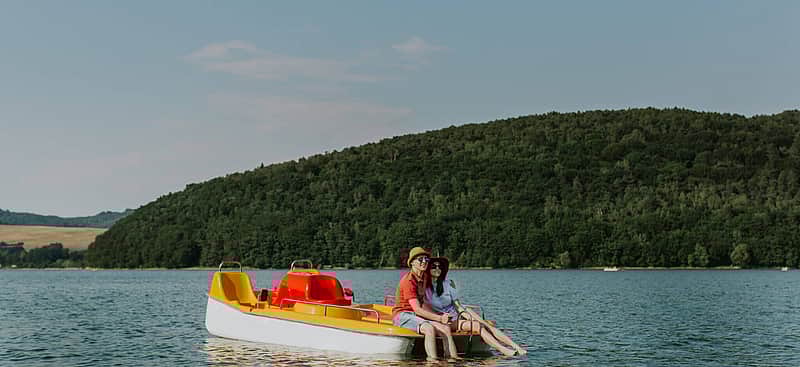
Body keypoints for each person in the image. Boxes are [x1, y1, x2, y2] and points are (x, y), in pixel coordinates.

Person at [425, 257, 527, 356]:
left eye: (440, 267)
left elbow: (458, 305)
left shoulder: (447, 284)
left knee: (486, 325)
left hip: (457, 313)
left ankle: (516, 346)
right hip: (443, 320)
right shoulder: (424, 287)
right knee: (477, 326)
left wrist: (464, 314)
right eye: (434, 266)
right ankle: (503, 349)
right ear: (428, 268)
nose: (437, 269)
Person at [392, 247, 459, 360]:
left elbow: (427, 299)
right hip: (403, 315)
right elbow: (417, 309)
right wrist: (439, 318)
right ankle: (432, 361)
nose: (424, 262)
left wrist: (442, 316)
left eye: (426, 260)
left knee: (445, 328)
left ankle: (453, 359)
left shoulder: (424, 277)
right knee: (429, 328)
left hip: (416, 315)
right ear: (412, 262)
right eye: (420, 259)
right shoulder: (409, 281)